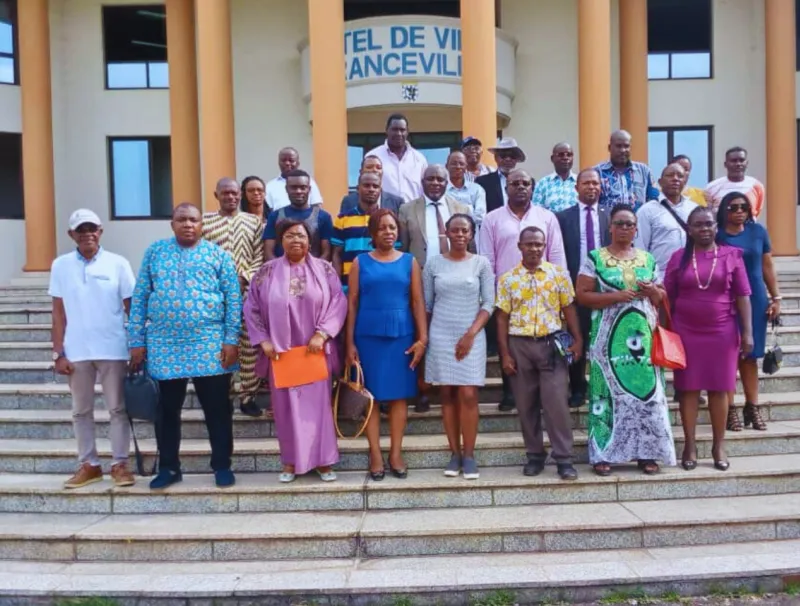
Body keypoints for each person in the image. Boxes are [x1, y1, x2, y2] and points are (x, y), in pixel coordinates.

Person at [129, 203, 242, 490]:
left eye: (193, 220)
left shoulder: (217, 255)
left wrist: (231, 340)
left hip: (209, 343)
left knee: (217, 410)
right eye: (182, 219)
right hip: (164, 345)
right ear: (172, 224)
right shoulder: (155, 252)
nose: (188, 224)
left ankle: (222, 466)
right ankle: (169, 468)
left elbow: (233, 299)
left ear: (202, 224)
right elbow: (140, 296)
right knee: (167, 412)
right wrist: (136, 342)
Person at [576, 203, 676, 476]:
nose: (624, 228)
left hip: (643, 340)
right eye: (619, 223)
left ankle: (647, 453)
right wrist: (615, 297)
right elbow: (582, 295)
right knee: (605, 394)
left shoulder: (647, 259)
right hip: (606, 341)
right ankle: (603, 454)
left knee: (648, 395)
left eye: (629, 224)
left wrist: (652, 289)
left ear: (635, 229)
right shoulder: (595, 258)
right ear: (610, 227)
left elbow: (661, 298)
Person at [243, 219, 347, 483]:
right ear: (281, 241)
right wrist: (263, 340)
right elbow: (251, 307)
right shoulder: (265, 272)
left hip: (314, 352)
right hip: (281, 353)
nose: (296, 240)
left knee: (318, 409)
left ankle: (323, 461)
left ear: (310, 241)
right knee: (286, 409)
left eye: (301, 235)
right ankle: (290, 461)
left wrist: (322, 333)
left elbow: (338, 301)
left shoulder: (324, 270)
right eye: (289, 236)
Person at [49, 209, 136, 489]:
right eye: (81, 229)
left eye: (92, 228)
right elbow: (58, 313)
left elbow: (131, 308)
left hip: (113, 348)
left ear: (100, 231)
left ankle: (120, 463)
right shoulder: (60, 266)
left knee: (118, 409)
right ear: (71, 235)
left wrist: (137, 345)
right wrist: (58, 352)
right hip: (77, 352)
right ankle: (89, 464)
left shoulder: (118, 263)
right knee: (80, 411)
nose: (87, 234)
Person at [665, 207, 753, 472]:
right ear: (689, 229)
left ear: (717, 227)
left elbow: (743, 295)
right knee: (688, 389)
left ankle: (718, 445)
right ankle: (689, 444)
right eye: (698, 225)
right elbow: (667, 298)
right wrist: (663, 331)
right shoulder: (679, 257)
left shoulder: (732, 255)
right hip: (686, 330)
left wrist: (747, 332)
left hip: (722, 331)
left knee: (719, 388)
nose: (704, 229)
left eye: (708, 224)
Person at [345, 209, 428, 481]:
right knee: (370, 397)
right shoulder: (360, 262)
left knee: (398, 396)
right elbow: (352, 302)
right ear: (372, 232)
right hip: (367, 337)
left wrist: (422, 339)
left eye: (392, 227)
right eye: (382, 228)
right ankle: (376, 454)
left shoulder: (409, 261)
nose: (388, 232)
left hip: (401, 338)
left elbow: (417, 302)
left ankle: (395, 453)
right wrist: (349, 343)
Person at [496, 227, 581, 481]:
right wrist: (504, 354)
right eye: (529, 244)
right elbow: (501, 318)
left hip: (551, 345)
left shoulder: (558, 275)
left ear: (544, 247)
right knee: (526, 404)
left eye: (538, 245)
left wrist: (578, 341)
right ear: (519, 246)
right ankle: (534, 455)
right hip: (520, 345)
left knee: (556, 404)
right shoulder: (508, 279)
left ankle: (564, 458)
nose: (534, 249)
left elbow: (569, 308)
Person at [480, 168, 567, 412]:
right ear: (506, 187)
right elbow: (487, 259)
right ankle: (510, 392)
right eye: (514, 183)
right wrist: (492, 295)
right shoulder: (492, 219)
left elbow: (557, 256)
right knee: (509, 341)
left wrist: (560, 290)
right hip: (508, 292)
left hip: (544, 290)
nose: (520, 187)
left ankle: (541, 391)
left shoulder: (547, 217)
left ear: (532, 188)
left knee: (542, 342)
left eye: (525, 183)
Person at [423, 214, 494, 480]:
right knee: (447, 394)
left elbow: (488, 304)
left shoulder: (481, 264)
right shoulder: (433, 264)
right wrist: (425, 339)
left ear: (472, 234)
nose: (460, 235)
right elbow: (428, 305)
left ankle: (469, 455)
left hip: (472, 335)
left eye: (465, 230)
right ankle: (454, 453)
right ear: (447, 233)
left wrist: (470, 334)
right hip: (441, 334)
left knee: (467, 393)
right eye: (455, 230)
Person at [717, 192, 781, 432]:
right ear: (724, 210)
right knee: (729, 355)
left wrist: (776, 298)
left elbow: (767, 265)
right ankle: (729, 409)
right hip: (726, 299)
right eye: (733, 207)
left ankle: (752, 406)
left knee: (751, 355)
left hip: (755, 298)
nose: (739, 211)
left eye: (744, 206)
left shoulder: (758, 232)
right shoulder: (716, 235)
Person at [202, 178, 265, 418]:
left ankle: (248, 396)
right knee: (220, 345)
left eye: (235, 193)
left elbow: (260, 255)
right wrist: (221, 282)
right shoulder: (205, 222)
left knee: (249, 345)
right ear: (216, 195)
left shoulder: (253, 222)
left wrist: (245, 276)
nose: (231, 197)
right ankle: (223, 396)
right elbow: (202, 256)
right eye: (226, 193)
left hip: (247, 293)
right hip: (215, 296)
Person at [556, 168, 610, 408]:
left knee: (604, 339)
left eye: (595, 184)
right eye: (586, 183)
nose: (591, 187)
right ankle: (577, 387)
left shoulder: (610, 215)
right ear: (576, 187)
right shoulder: (562, 217)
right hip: (575, 287)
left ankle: (604, 386)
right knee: (577, 338)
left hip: (606, 289)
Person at [333, 171, 400, 291]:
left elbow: (396, 251)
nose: (371, 189)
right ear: (358, 188)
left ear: (380, 190)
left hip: (380, 284)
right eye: (367, 185)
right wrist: (337, 286)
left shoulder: (389, 220)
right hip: (348, 286)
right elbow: (336, 254)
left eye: (375, 186)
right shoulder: (342, 219)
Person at [398, 165, 472, 269]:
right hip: (421, 276)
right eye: (430, 179)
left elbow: (470, 247)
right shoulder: (407, 210)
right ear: (423, 182)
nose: (435, 183)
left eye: (440, 179)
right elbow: (403, 249)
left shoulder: (462, 209)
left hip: (457, 274)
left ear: (446, 183)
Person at [635, 163, 699, 274]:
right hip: (660, 277)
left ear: (685, 181)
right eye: (670, 175)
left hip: (692, 275)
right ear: (660, 182)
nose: (675, 179)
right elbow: (640, 249)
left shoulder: (694, 209)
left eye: (680, 176)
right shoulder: (646, 211)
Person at [263, 169, 333, 261]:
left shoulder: (324, 217)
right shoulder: (275, 216)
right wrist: (280, 271)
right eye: (294, 187)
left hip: (314, 272)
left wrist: (314, 271)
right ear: (286, 189)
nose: (298, 191)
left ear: (309, 189)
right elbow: (268, 252)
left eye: (303, 187)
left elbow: (327, 252)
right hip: (281, 273)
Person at [366, 114, 428, 201]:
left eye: (402, 130)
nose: (399, 133)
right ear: (387, 130)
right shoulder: (373, 156)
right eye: (394, 129)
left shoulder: (419, 159)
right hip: (384, 212)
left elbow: (425, 190)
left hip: (412, 213)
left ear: (407, 132)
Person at [594, 130, 659, 211]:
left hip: (638, 222)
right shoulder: (597, 172)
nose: (623, 150)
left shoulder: (644, 171)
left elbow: (654, 201)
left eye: (626, 146)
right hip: (607, 222)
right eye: (618, 146)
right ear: (609, 148)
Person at [705, 147, 766, 217]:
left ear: (747, 163)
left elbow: (756, 211)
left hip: (749, 227)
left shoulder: (756, 186)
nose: (738, 164)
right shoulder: (712, 187)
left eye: (741, 160)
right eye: (734, 161)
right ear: (725, 164)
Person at [339, 155, 404, 215]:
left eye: (378, 168)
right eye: (369, 167)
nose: (375, 170)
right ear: (361, 171)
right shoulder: (348, 201)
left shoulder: (397, 202)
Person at [475, 138, 527, 213]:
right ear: (496, 158)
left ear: (516, 159)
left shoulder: (527, 182)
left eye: (512, 156)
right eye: (503, 155)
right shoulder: (482, 182)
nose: (508, 159)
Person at [444, 150, 487, 236]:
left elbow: (480, 216)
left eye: (461, 164)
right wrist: (469, 210)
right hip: (447, 235)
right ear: (446, 166)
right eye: (454, 163)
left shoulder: (477, 189)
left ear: (466, 167)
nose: (458, 166)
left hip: (471, 236)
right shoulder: (442, 189)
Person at [532, 142, 579, 213]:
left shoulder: (580, 182)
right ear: (552, 158)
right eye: (561, 155)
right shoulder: (543, 183)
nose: (565, 158)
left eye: (569, 155)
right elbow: (536, 212)